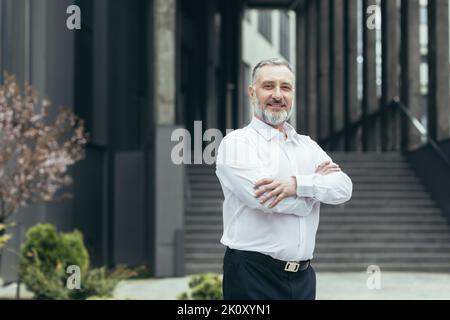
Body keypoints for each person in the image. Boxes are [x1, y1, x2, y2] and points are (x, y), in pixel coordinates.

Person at [215, 58, 353, 300]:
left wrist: (298, 185)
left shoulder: (307, 146)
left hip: (303, 279)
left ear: (293, 94)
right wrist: (314, 195)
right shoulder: (237, 143)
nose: (277, 95)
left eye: (285, 87)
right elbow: (267, 200)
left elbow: (343, 188)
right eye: (268, 86)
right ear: (251, 92)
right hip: (252, 276)